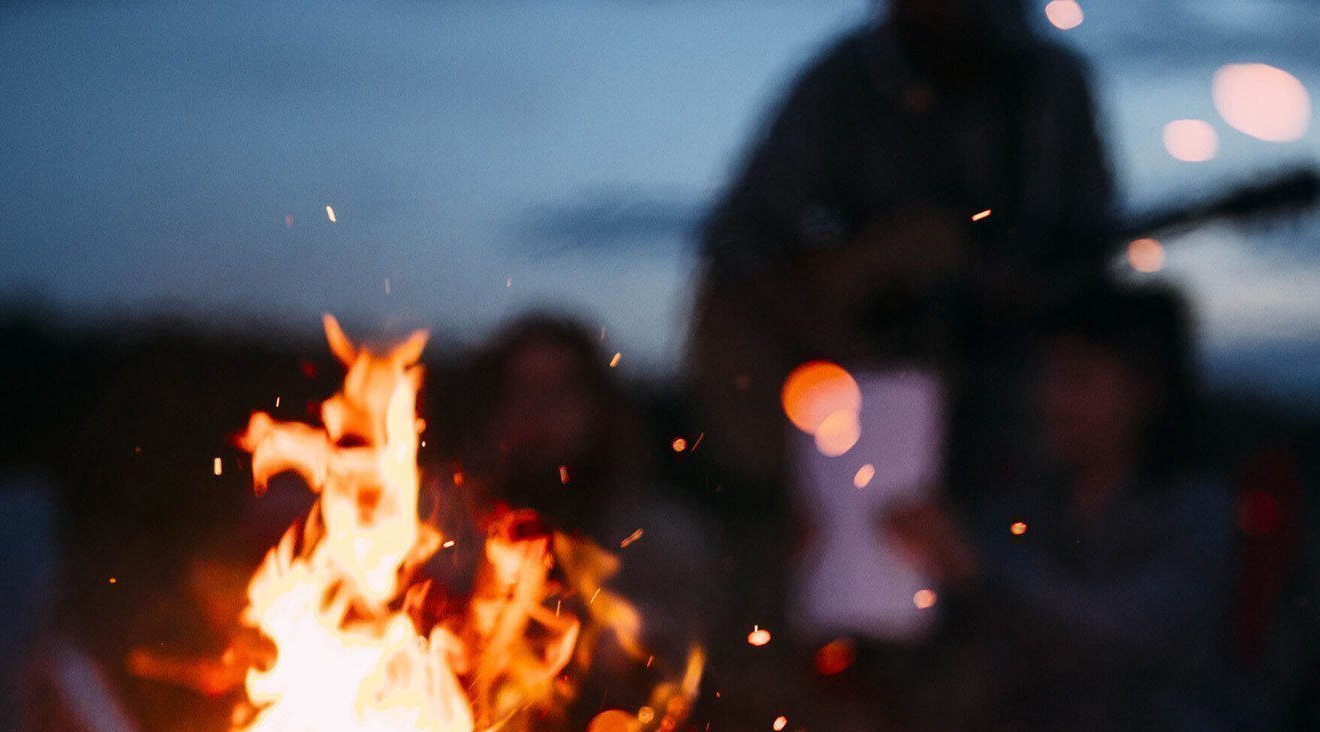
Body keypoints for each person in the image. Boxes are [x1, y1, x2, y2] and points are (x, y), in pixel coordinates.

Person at [885, 281, 1304, 732]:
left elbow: (1120, 637)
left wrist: (976, 568)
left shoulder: (1194, 511)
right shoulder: (1032, 507)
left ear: (1145, 390)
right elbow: (971, 610)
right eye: (1047, 377)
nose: (1051, 400)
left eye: (1077, 378)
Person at [688, 0, 1115, 496]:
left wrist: (1030, 288)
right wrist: (840, 348)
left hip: (1002, 374)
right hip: (871, 387)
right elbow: (738, 235)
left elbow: (1087, 238)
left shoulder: (1048, 83)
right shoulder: (841, 83)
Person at [457, 313, 719, 663]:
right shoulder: (446, 539)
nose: (540, 409)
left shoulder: (658, 542)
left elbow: (683, 668)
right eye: (523, 389)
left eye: (559, 389)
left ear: (597, 407)